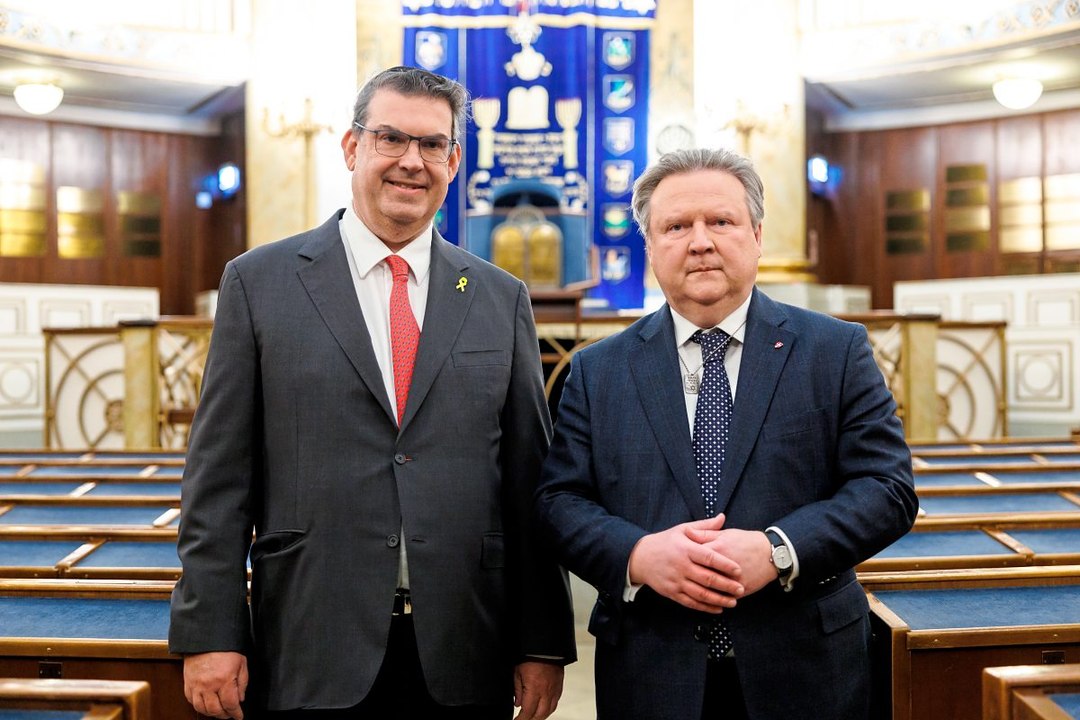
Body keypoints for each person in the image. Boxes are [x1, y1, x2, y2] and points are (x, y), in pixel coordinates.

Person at [169, 66, 575, 720]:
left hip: (464, 649)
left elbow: (528, 487)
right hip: (309, 640)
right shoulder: (260, 284)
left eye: (432, 145)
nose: (412, 162)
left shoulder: (501, 298)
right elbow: (218, 479)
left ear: (454, 160)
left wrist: (542, 643)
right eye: (391, 139)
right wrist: (210, 631)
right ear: (352, 147)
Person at [534, 147, 918, 720]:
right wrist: (638, 555)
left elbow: (887, 489)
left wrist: (778, 549)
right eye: (676, 226)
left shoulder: (835, 350)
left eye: (721, 221)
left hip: (805, 666)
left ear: (757, 235)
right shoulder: (598, 369)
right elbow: (560, 501)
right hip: (650, 669)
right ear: (650, 245)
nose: (700, 241)